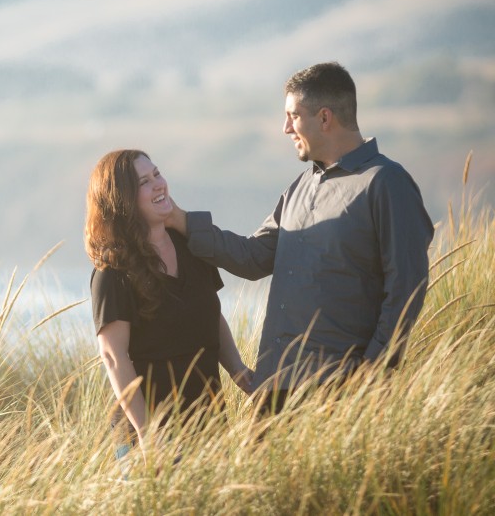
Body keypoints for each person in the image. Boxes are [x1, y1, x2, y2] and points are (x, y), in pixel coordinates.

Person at [165, 62, 435, 412]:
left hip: (339, 390)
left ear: (325, 118)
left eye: (293, 116)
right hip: (274, 385)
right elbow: (253, 256)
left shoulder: (385, 183)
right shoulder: (300, 188)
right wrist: (178, 219)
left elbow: (406, 287)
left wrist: (373, 371)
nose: (285, 128)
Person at [86, 149, 253, 447]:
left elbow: (210, 315)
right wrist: (146, 432)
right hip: (148, 434)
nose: (159, 184)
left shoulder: (192, 246)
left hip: (208, 421)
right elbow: (113, 357)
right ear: (121, 198)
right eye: (144, 182)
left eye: (157, 174)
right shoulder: (113, 271)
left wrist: (238, 370)